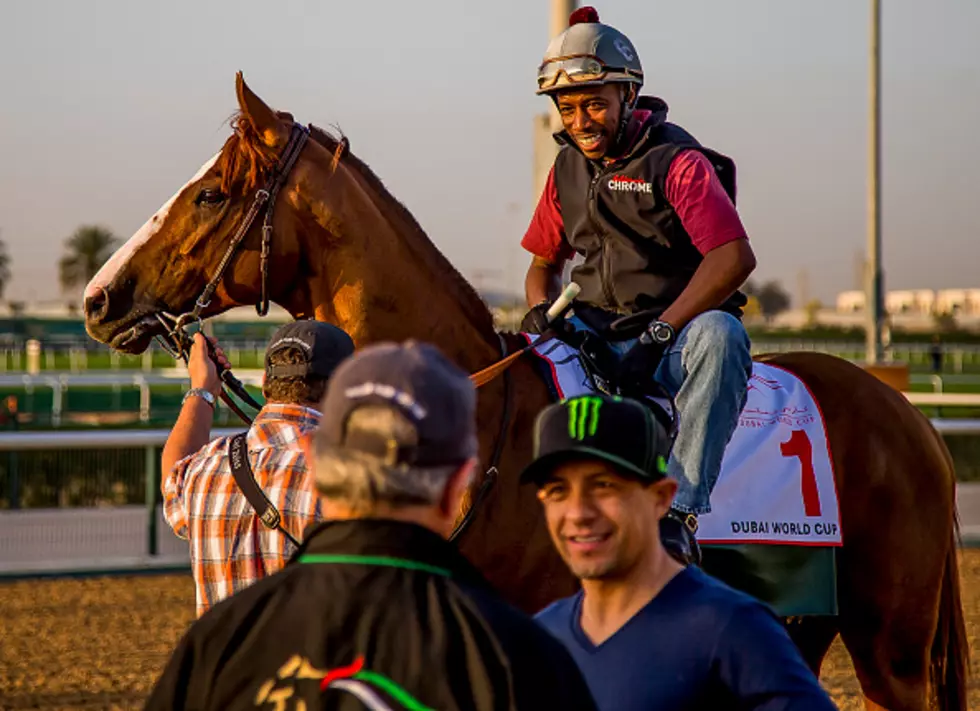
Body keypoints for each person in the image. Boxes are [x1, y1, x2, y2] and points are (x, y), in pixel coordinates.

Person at [146, 341, 598, 711]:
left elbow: (175, 473)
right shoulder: (514, 655)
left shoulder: (211, 645)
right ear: (458, 482)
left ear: (320, 462)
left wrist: (202, 389)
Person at [520, 5, 757, 565]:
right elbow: (540, 266)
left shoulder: (677, 161)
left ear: (628, 96)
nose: (581, 121)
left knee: (722, 336)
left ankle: (677, 515)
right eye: (569, 107)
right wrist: (539, 311)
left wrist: (659, 332)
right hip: (590, 329)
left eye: (595, 105)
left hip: (673, 339)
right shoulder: (565, 169)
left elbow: (732, 257)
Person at [524, 394, 837, 711]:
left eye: (604, 485)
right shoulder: (540, 638)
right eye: (558, 490)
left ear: (662, 498)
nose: (578, 512)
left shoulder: (733, 630)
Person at [161, 320, 355, 616]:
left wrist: (203, 389)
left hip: (224, 661)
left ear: (265, 383)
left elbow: (173, 474)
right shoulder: (347, 476)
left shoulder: (203, 468)